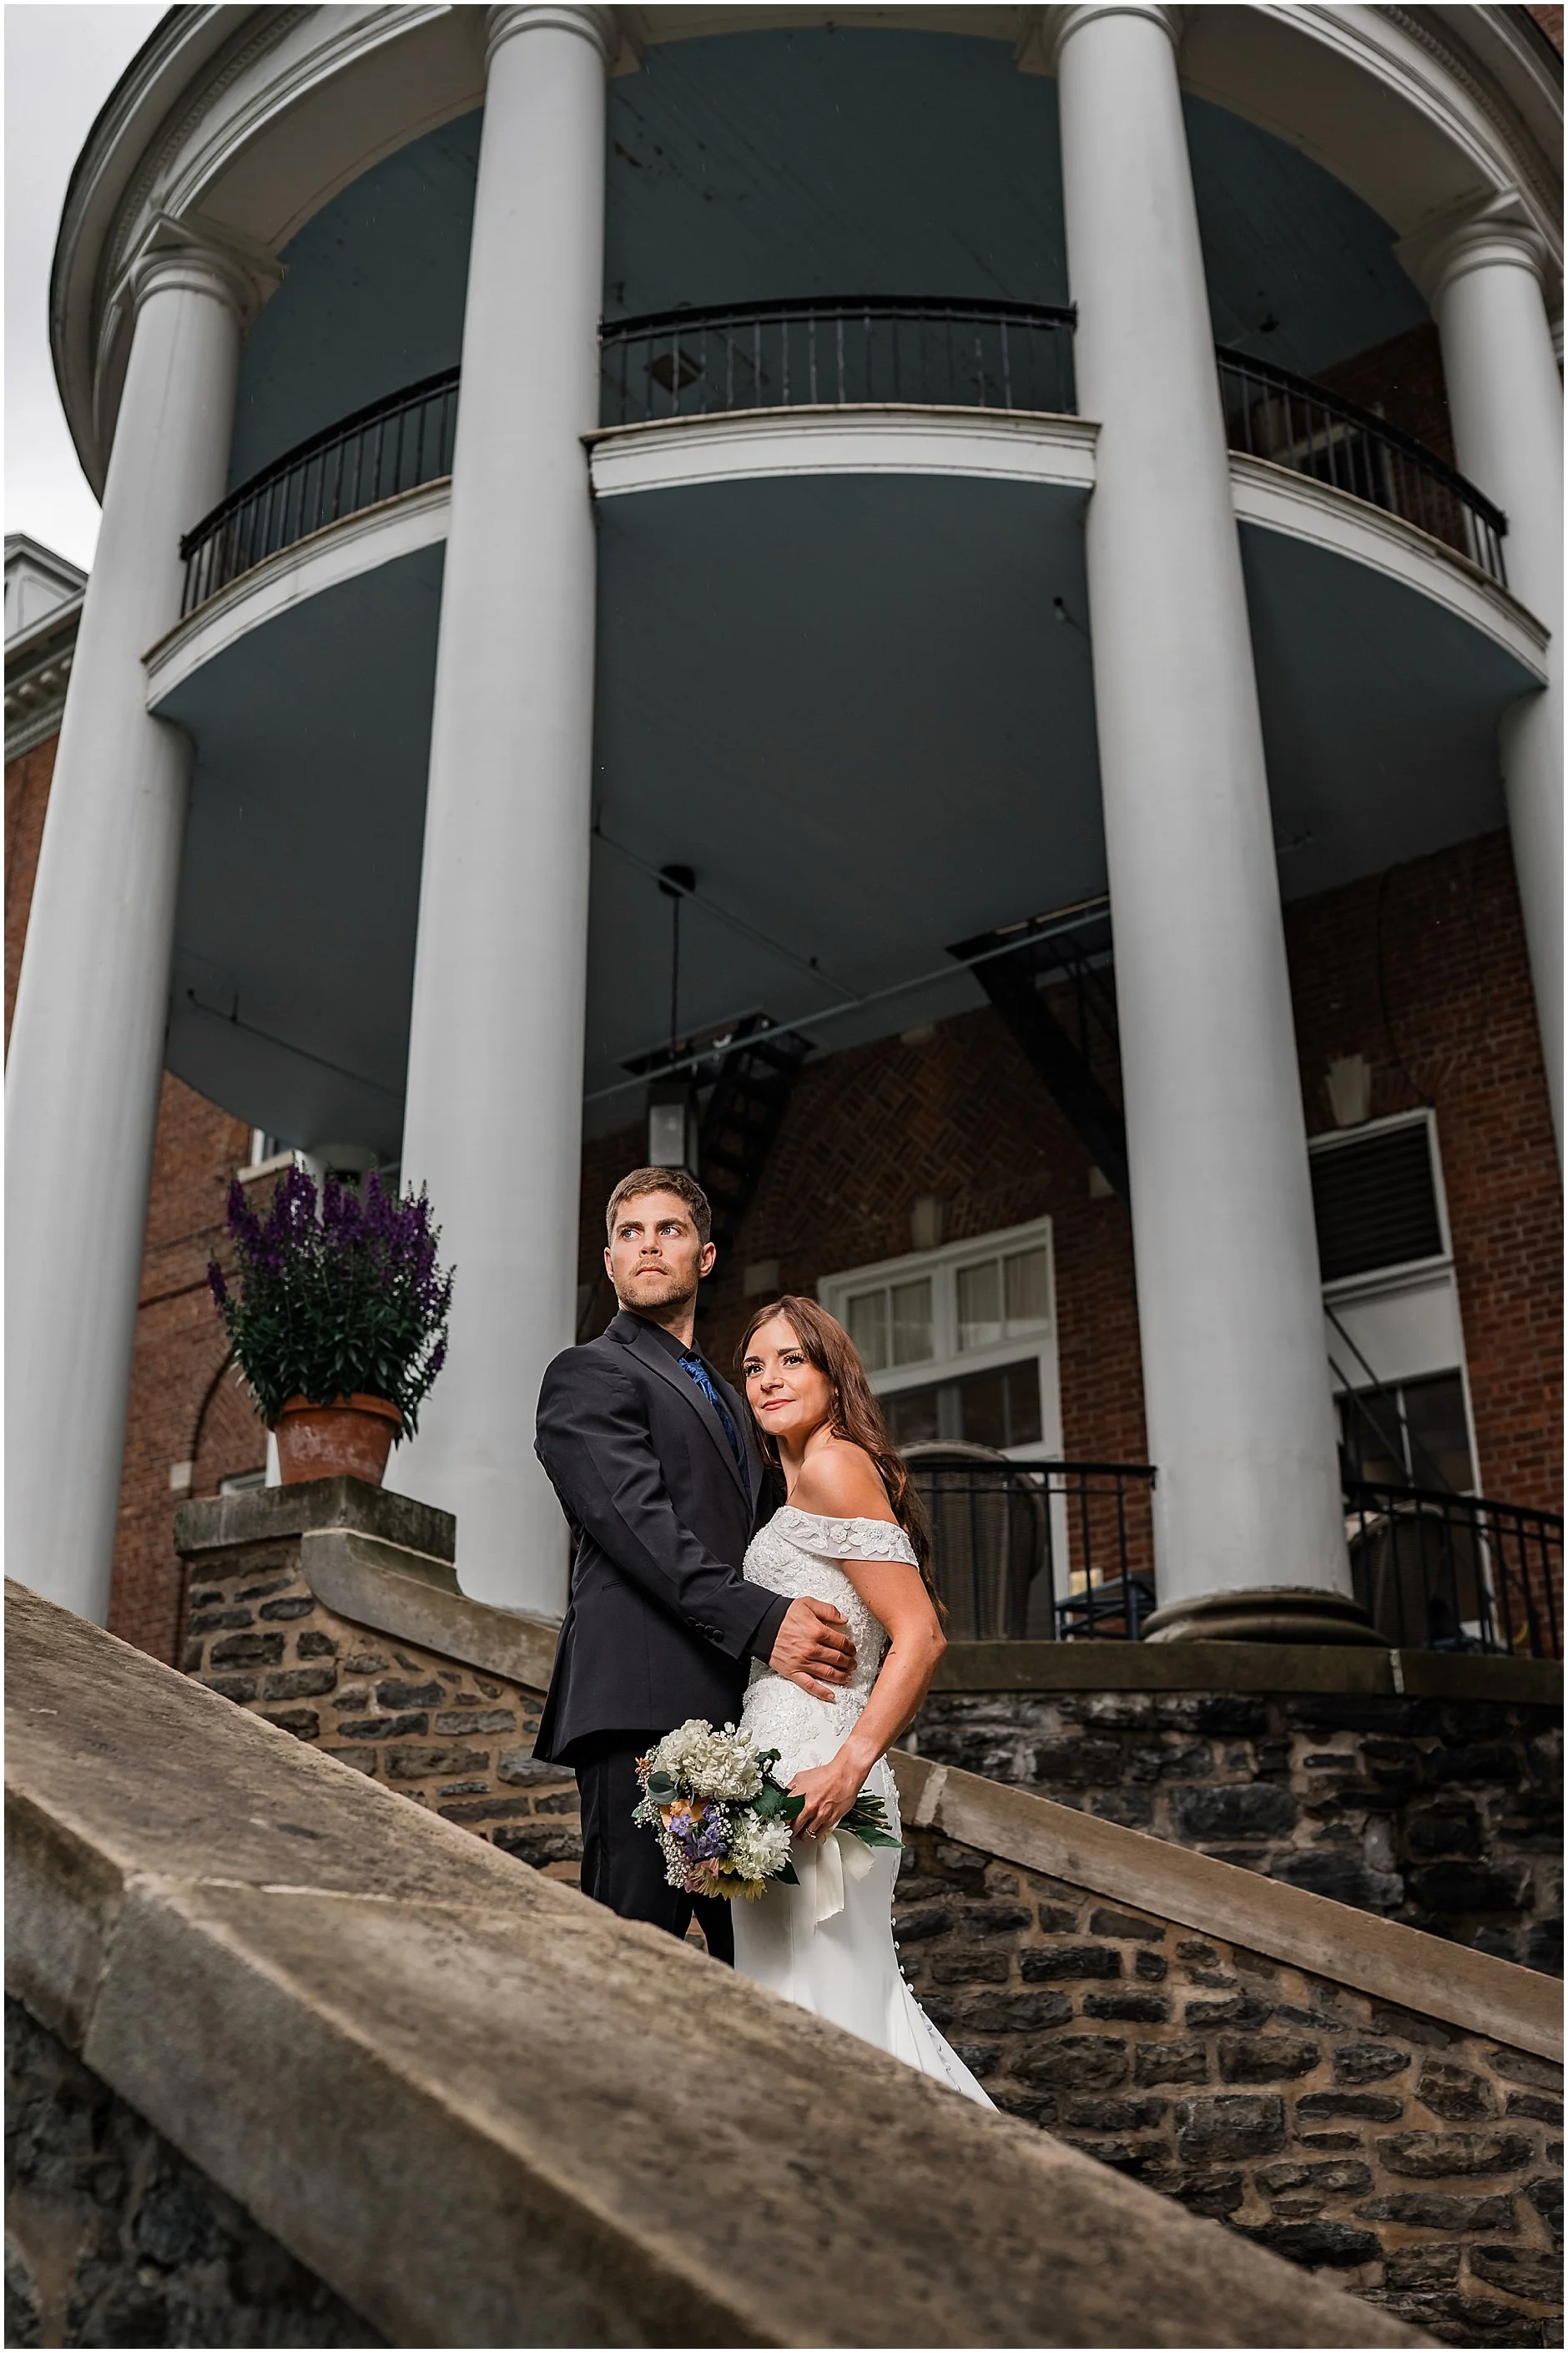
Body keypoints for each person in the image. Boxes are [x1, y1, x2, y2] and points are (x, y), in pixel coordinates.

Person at [533, 1169, 857, 1966]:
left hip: (741, 1717)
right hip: (642, 1706)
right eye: (629, 1232)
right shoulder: (587, 1373)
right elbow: (638, 1526)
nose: (648, 1244)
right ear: (608, 1263)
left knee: (759, 1967)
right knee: (634, 1955)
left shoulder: (730, 1389)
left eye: (669, 1229)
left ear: (704, 1256)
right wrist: (765, 1623)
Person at [731, 1295, 993, 2106]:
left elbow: (920, 1635)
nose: (768, 1378)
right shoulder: (799, 1474)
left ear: (831, 1372)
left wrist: (847, 1767)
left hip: (821, 1789)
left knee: (833, 2029)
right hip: (779, 1786)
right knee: (802, 2022)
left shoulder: (837, 1463)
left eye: (790, 1359)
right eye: (753, 1365)